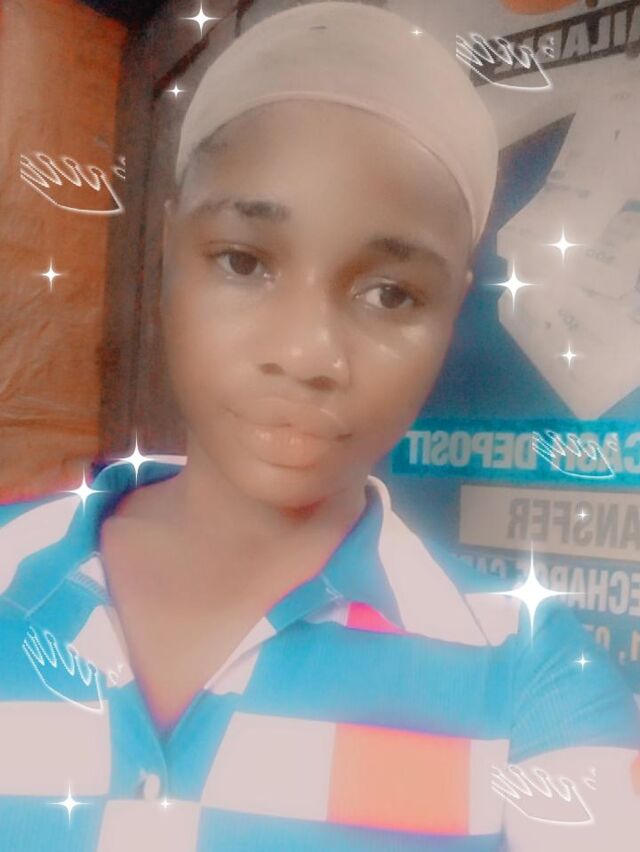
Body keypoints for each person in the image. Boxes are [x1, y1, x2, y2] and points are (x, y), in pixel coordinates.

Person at [1, 2, 639, 850]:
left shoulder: (531, 679)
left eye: (391, 294)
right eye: (244, 262)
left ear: (451, 312)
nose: (308, 354)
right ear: (166, 250)